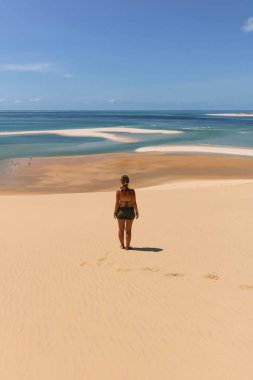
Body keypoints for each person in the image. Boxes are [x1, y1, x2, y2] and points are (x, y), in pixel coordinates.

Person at [114, 175, 139, 250]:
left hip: (121, 212)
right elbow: (134, 203)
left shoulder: (118, 192)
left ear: (121, 182)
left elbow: (117, 203)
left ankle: (122, 245)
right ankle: (127, 247)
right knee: (128, 231)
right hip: (130, 212)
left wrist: (115, 212)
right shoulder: (132, 191)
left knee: (121, 230)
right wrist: (137, 211)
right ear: (128, 182)